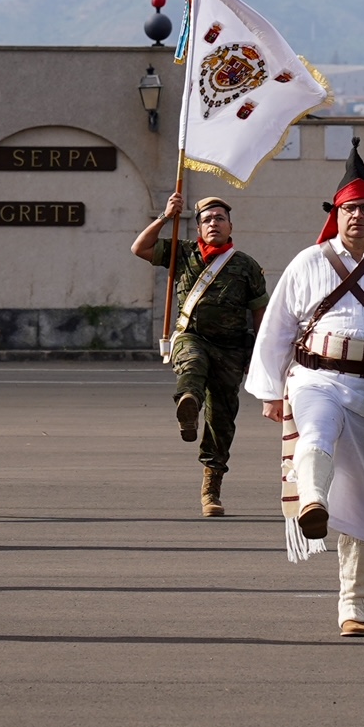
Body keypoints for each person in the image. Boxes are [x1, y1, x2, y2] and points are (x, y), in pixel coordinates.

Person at [244, 147, 364, 637]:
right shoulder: (308, 261)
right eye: (349, 208)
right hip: (315, 376)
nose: (357, 216)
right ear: (336, 214)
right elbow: (278, 326)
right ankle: (312, 501)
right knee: (316, 431)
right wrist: (270, 390)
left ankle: (353, 605)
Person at [133, 190, 269, 516]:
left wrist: (260, 353)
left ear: (230, 226)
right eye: (207, 219)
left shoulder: (246, 266)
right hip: (191, 336)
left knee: (222, 420)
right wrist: (166, 216)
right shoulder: (182, 252)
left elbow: (259, 313)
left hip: (231, 349)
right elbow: (140, 248)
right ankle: (189, 406)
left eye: (220, 218)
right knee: (192, 364)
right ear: (198, 228)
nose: (213, 223)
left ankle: (211, 489)